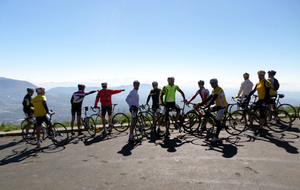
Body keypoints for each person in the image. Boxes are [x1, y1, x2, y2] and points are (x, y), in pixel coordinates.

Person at [246, 70, 275, 136]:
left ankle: (260, 129)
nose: (260, 76)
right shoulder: (258, 83)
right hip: (260, 100)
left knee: (262, 114)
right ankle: (262, 120)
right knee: (252, 109)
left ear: (264, 75)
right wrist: (247, 97)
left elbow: (267, 93)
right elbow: (253, 91)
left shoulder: (266, 82)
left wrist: (265, 101)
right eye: (259, 75)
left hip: (264, 100)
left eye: (261, 75)